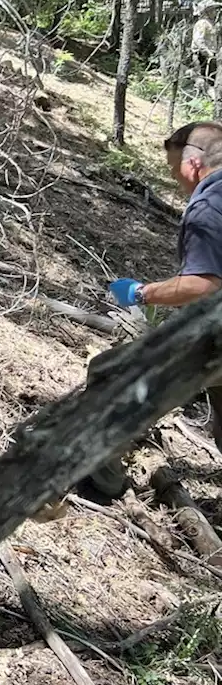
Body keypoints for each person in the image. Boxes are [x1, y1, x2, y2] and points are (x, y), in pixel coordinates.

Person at [98, 120, 222, 493]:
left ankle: (100, 478)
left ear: (192, 163)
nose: (176, 180)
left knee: (112, 375)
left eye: (173, 170)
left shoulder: (208, 207)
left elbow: (204, 285)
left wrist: (141, 293)